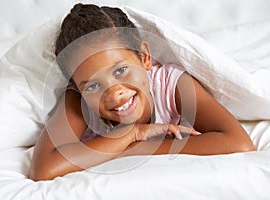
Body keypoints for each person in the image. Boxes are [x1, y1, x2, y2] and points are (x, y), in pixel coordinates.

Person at [28, 3, 255, 181]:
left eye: (121, 70)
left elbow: (239, 143)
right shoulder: (77, 102)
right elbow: (43, 169)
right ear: (77, 89)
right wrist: (132, 134)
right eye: (93, 86)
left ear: (144, 56)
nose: (114, 93)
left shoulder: (171, 85)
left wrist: (131, 149)